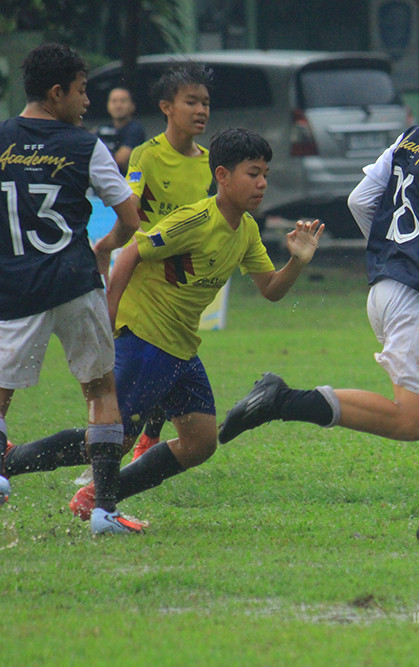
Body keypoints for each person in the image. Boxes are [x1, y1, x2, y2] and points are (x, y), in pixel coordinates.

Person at [217, 33, 419, 545]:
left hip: (388, 289)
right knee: (410, 420)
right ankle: (282, 399)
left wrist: (391, 252)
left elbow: (363, 198)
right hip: (414, 297)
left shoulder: (416, 134)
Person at [69, 128, 324, 523]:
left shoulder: (247, 229)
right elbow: (130, 252)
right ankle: (14, 461)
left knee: (201, 441)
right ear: (222, 176)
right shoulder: (195, 219)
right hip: (145, 337)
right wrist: (109, 318)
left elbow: (271, 290)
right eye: (252, 173)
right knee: (109, 438)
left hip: (180, 347)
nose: (261, 183)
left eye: (265, 175)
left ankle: (97, 495)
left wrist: (298, 262)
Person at [0, 43, 142, 534]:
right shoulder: (85, 146)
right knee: (101, 390)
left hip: (14, 291)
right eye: (82, 92)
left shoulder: (1, 138)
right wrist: (106, 246)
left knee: (2, 392)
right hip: (77, 284)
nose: (87, 102)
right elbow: (130, 217)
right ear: (57, 92)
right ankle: (104, 510)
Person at [119, 61, 214, 465]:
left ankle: (145, 440)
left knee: (169, 365)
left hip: (185, 283)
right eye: (191, 101)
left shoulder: (211, 162)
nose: (201, 110)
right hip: (146, 282)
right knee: (140, 383)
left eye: (206, 102)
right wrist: (110, 246)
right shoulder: (146, 154)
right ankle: (105, 459)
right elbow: (131, 207)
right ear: (166, 107)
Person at [94, 87, 145, 174]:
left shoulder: (135, 130)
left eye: (123, 101)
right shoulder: (101, 129)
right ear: (108, 105)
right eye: (114, 101)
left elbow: (120, 161)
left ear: (132, 106)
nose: (118, 106)